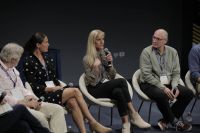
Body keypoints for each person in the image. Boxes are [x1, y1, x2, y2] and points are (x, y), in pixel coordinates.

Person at [23, 32, 112, 133]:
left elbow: (53, 78)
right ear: (38, 45)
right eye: (46, 42)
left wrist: (60, 85)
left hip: (55, 91)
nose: (48, 44)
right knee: (75, 91)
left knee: (73, 102)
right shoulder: (28, 61)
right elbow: (32, 85)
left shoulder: (48, 58)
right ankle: (93, 122)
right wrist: (50, 88)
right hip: (43, 94)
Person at [83, 29, 151, 133]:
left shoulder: (104, 54)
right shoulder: (87, 59)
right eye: (98, 40)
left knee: (118, 92)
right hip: (95, 90)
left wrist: (110, 63)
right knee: (122, 81)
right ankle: (134, 114)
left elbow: (112, 75)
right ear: (92, 42)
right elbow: (92, 82)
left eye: (103, 39)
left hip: (106, 86)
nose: (102, 42)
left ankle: (125, 124)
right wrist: (96, 68)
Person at [0, 43, 67, 133]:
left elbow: (22, 88)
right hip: (13, 107)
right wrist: (22, 103)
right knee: (41, 118)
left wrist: (31, 97)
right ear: (13, 59)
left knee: (57, 109)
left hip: (25, 101)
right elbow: (3, 97)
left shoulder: (13, 69)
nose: (20, 59)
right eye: (19, 57)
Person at [139, 28, 194, 132]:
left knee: (188, 93)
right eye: (154, 37)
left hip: (168, 83)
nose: (154, 40)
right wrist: (163, 88)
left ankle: (165, 121)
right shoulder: (146, 52)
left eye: (158, 39)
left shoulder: (173, 52)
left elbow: (176, 73)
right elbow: (147, 75)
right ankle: (175, 122)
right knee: (162, 94)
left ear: (165, 41)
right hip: (149, 84)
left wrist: (174, 86)